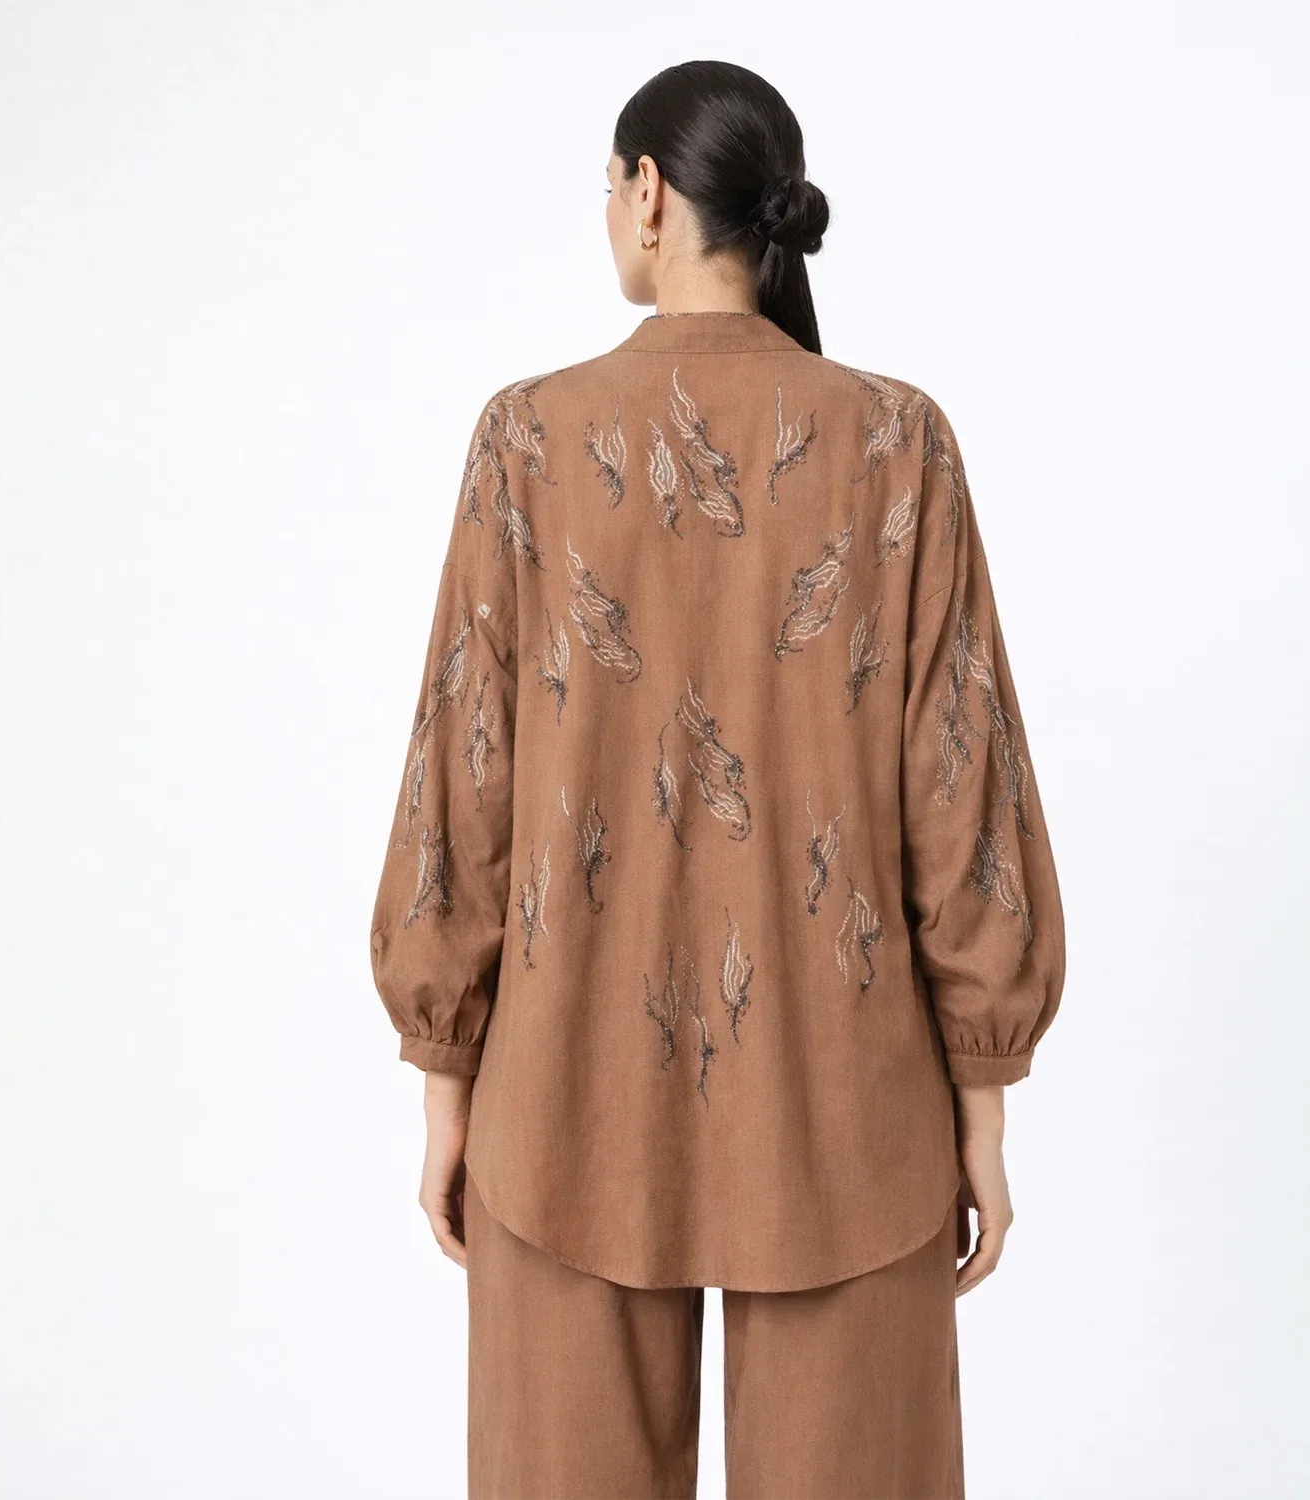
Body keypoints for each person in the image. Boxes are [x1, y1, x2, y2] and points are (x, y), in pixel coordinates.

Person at [368, 58, 1066, 1500]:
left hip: (563, 1102)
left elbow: (464, 780)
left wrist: (445, 1083)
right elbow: (964, 787)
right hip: (848, 1106)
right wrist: (983, 1105)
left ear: (648, 195)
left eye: (608, 188)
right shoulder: (898, 443)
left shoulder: (528, 440)